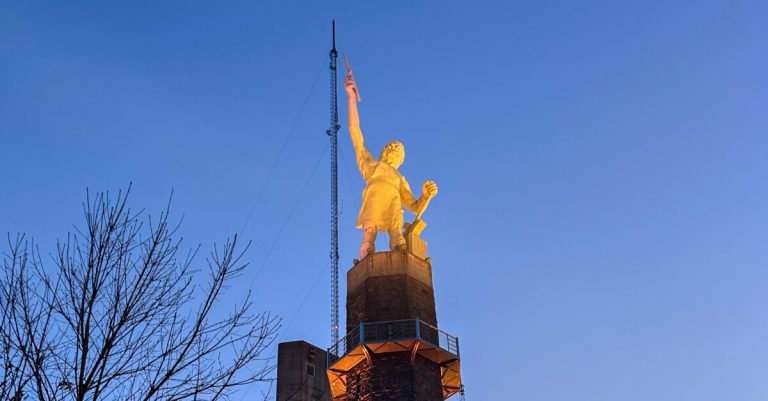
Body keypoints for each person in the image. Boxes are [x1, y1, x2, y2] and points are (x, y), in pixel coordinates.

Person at [345, 70, 438, 259]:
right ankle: (366, 257)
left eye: (398, 148)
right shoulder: (371, 164)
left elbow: (415, 207)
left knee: (397, 236)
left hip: (393, 205)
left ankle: (400, 254)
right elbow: (355, 132)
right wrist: (351, 99)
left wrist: (426, 195)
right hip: (373, 201)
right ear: (384, 151)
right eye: (392, 146)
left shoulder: (399, 179)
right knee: (368, 237)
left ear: (401, 159)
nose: (394, 147)